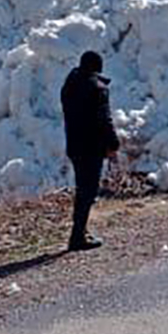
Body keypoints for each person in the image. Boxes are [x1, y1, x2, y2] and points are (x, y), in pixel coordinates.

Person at [60, 49, 120, 251]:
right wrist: (113, 145)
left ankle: (80, 232)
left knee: (82, 189)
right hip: (92, 148)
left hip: (74, 146)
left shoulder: (69, 85)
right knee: (88, 191)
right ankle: (77, 237)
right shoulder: (98, 89)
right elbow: (104, 120)